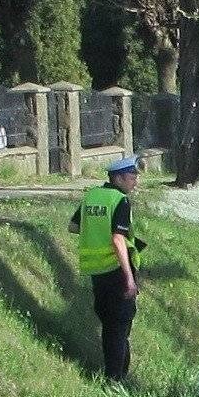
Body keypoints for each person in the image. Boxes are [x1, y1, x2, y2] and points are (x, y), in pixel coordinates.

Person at [69, 156, 146, 381]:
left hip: (97, 273)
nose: (135, 182)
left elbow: (73, 226)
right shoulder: (120, 200)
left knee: (111, 327)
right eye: (132, 178)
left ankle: (118, 376)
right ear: (118, 178)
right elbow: (117, 239)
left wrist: (96, 232)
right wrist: (130, 279)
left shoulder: (92, 195)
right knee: (120, 328)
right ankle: (115, 379)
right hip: (117, 271)